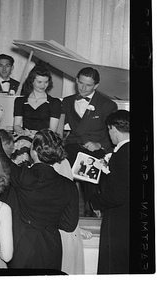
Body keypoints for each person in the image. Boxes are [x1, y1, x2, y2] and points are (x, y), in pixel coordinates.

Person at [0, 125, 79, 270]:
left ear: (33, 151)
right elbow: (69, 225)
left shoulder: (24, 176)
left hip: (23, 247)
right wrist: (48, 221)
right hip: (52, 250)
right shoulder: (69, 186)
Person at [62, 66, 117, 216]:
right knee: (62, 168)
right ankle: (67, 210)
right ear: (76, 80)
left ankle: (91, 208)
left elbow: (113, 132)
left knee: (90, 172)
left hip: (96, 147)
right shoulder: (67, 102)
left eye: (88, 85)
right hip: (73, 146)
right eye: (80, 83)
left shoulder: (107, 105)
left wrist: (99, 144)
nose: (83, 88)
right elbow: (59, 128)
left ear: (96, 86)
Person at [91, 110, 130, 274]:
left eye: (109, 130)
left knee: (113, 266)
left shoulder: (121, 154)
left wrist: (96, 202)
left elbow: (119, 194)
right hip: (127, 218)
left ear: (113, 128)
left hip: (118, 220)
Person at [11, 62, 62, 165]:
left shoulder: (54, 103)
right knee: (22, 144)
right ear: (32, 81)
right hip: (24, 136)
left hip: (45, 139)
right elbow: (16, 125)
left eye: (46, 82)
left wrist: (35, 135)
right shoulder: (20, 101)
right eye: (39, 82)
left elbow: (52, 130)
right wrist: (23, 132)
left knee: (28, 145)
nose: (43, 85)